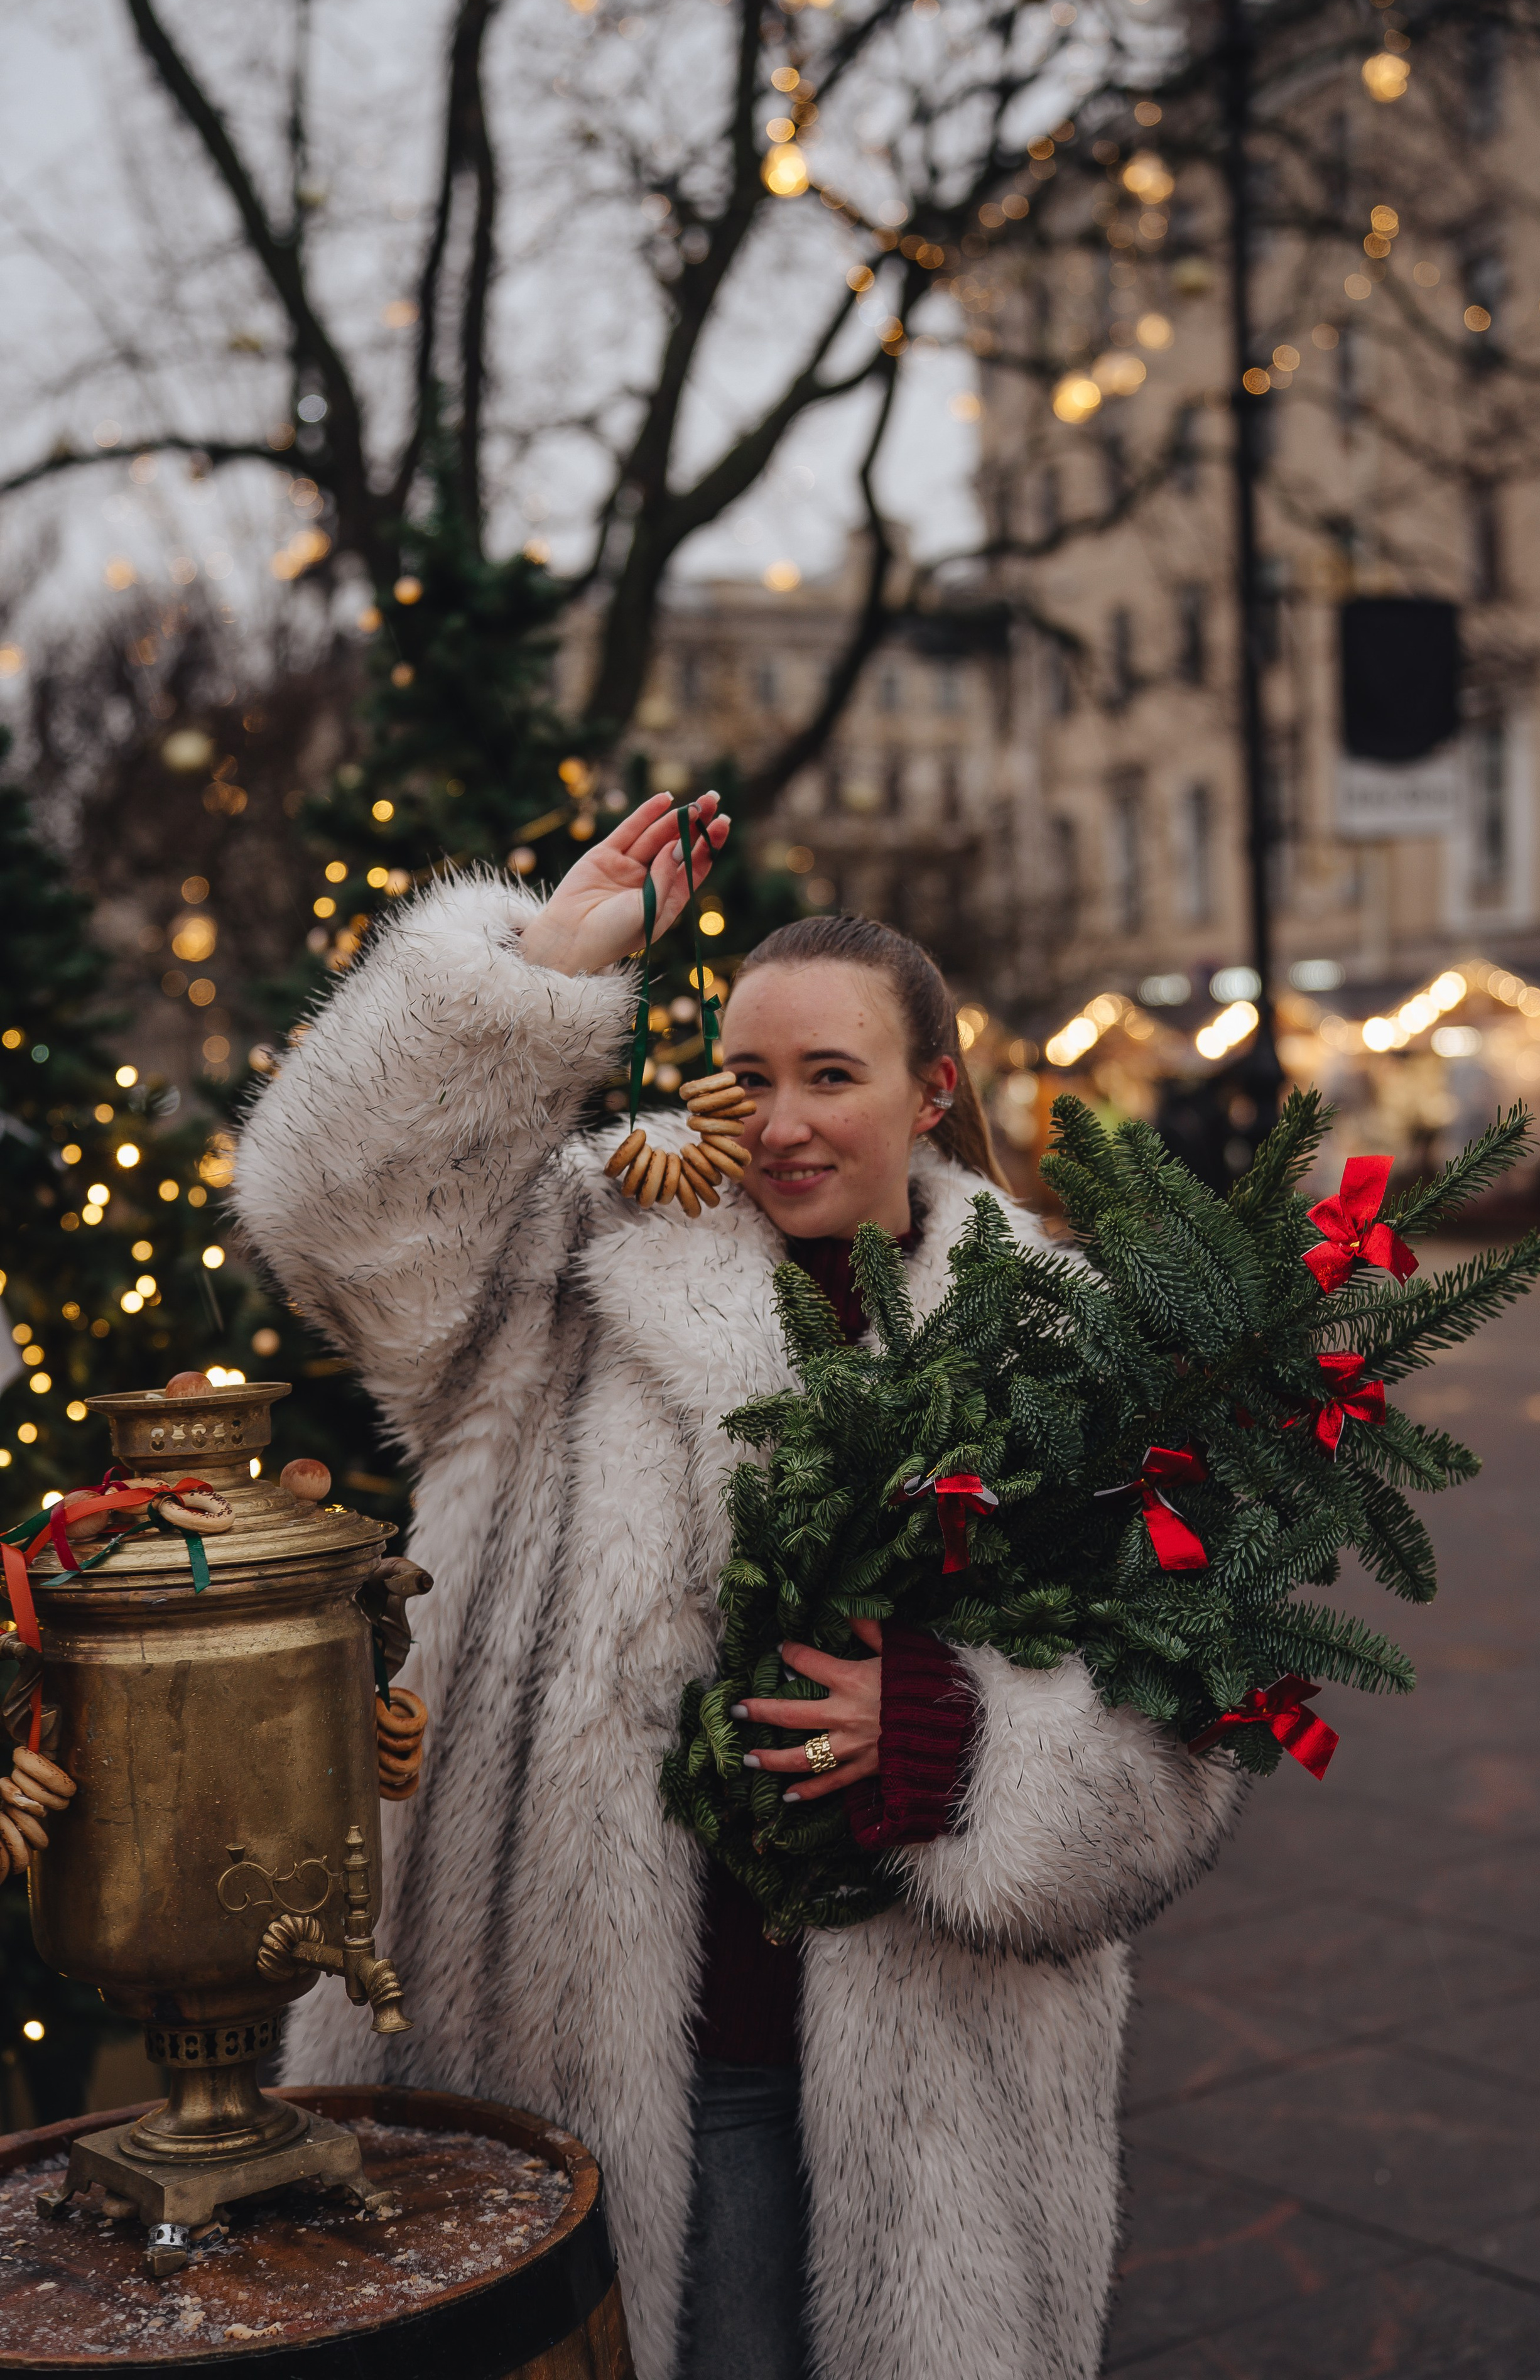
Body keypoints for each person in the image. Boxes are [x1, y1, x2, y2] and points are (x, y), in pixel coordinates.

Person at [231, 791, 1243, 2380]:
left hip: (908, 2100)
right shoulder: (564, 1270)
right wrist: (538, 973)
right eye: (748, 1076)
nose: (779, 1124)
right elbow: (327, 1213)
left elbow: (1173, 1748)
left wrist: (960, 1748)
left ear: (929, 1093)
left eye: (830, 1075)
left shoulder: (1053, 1346)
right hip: (539, 2064)